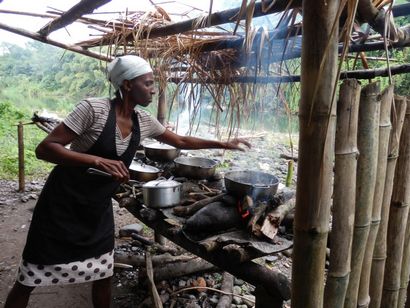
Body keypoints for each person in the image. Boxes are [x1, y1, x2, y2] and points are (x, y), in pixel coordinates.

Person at [5, 55, 251, 308]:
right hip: (62, 203)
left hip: (96, 208)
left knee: (103, 272)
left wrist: (223, 143)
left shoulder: (143, 121)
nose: (154, 89)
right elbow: (45, 149)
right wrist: (96, 161)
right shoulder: (93, 110)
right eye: (147, 83)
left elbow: (180, 142)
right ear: (126, 85)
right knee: (31, 274)